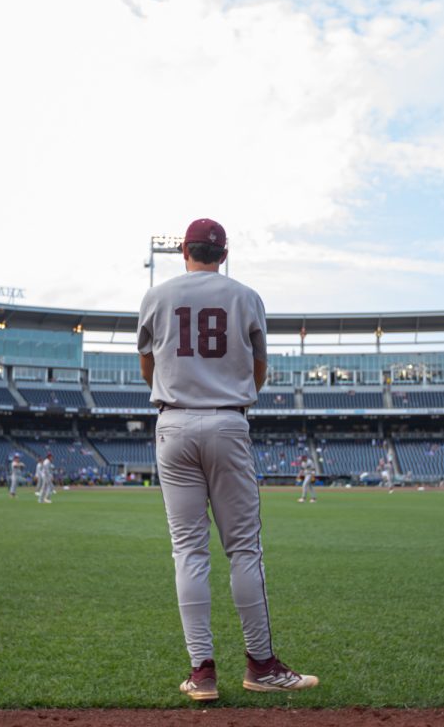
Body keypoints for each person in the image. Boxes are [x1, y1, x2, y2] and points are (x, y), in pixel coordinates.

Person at [138, 218, 317, 701]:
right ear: (224, 252)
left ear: (183, 250)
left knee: (188, 551)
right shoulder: (246, 296)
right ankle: (260, 664)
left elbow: (146, 364)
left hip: (172, 423)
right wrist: (229, 393)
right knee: (243, 549)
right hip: (227, 420)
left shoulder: (157, 296)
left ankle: (202, 672)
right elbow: (259, 368)